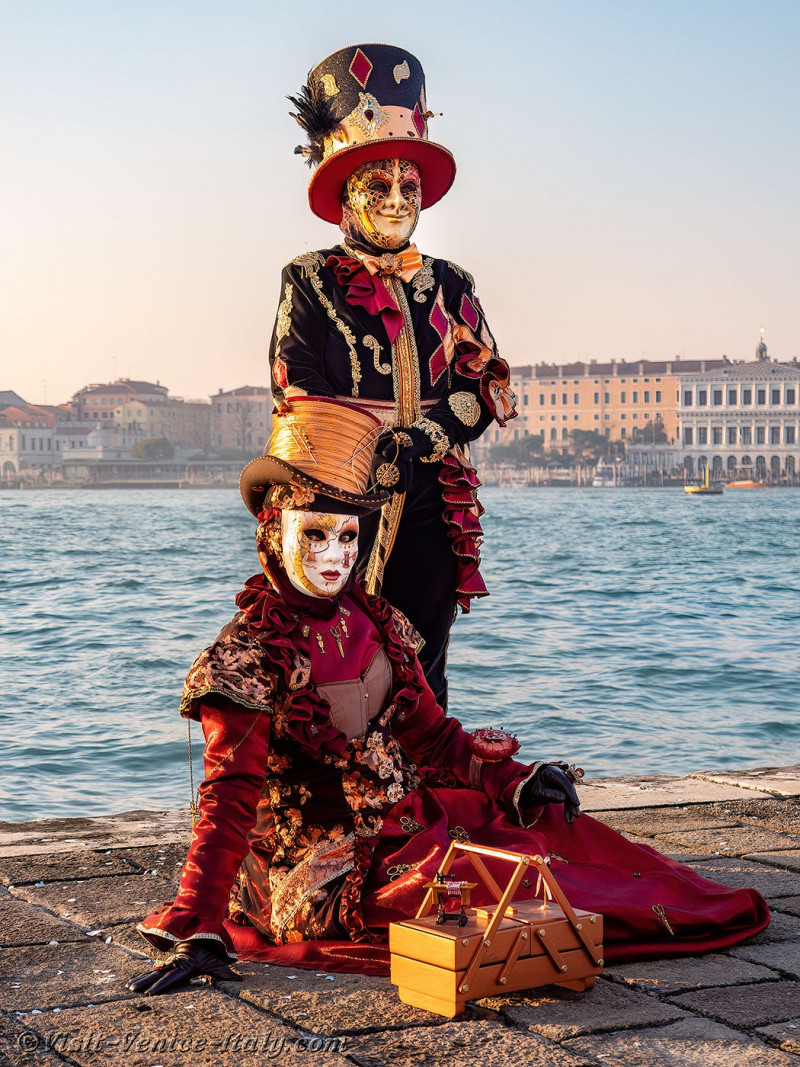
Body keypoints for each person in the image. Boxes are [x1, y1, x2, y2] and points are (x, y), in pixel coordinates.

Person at [128, 398, 768, 996]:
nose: (335, 557)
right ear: (273, 534)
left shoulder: (377, 624)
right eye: (315, 535)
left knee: (541, 832)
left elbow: (431, 739)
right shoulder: (247, 655)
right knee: (485, 896)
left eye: (349, 537)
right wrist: (197, 920)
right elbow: (228, 796)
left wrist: (515, 776)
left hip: (402, 820)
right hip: (315, 862)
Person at [268, 43, 518, 709]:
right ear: (346, 192)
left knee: (423, 650)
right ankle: (342, 789)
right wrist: (359, 455)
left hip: (432, 495)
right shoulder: (310, 278)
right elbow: (296, 380)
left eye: (409, 186)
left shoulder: (451, 285)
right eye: (379, 185)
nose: (398, 200)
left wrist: (421, 440)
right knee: (331, 649)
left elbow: (482, 384)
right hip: (338, 500)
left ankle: (424, 789)